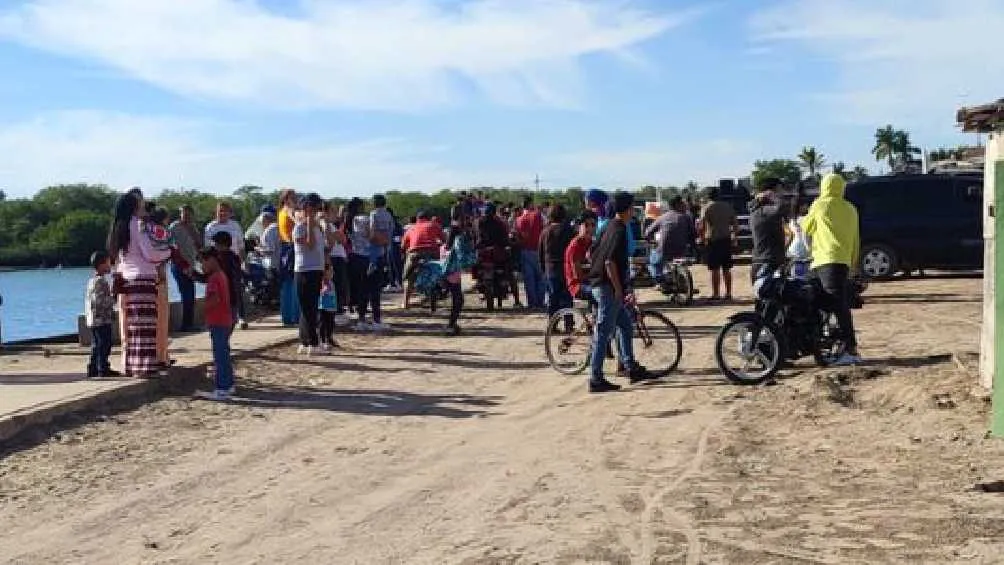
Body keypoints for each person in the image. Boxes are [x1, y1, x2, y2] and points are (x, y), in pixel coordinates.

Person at [586, 191, 652, 393]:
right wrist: (617, 289)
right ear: (628, 209)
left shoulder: (606, 226)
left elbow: (591, 253)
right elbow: (609, 262)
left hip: (601, 284)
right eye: (632, 207)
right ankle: (595, 378)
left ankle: (630, 366)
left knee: (625, 325)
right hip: (607, 287)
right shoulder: (620, 229)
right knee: (603, 333)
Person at [107, 188, 172, 378]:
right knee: (145, 326)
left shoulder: (119, 227)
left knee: (132, 325)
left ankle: (131, 365)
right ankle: (144, 367)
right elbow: (150, 254)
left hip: (127, 279)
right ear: (135, 207)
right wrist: (168, 252)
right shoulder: (138, 225)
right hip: (143, 277)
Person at [802, 173, 862, 365]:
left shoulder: (820, 204)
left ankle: (850, 348)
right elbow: (855, 238)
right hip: (841, 260)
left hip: (822, 260)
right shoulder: (851, 209)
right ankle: (824, 341)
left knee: (836, 303)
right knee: (832, 302)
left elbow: (806, 228)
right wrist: (853, 264)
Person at [196, 247, 234, 400]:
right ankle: (229, 384)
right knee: (224, 353)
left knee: (219, 356)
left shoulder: (214, 278)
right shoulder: (222, 275)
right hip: (225, 320)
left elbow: (214, 298)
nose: (202, 267)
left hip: (218, 321)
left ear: (211, 260)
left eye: (203, 263)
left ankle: (222, 387)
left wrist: (203, 308)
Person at [204, 201, 248, 328]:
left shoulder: (235, 226)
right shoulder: (210, 227)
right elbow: (207, 249)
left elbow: (241, 246)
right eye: (220, 211)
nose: (222, 213)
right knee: (219, 291)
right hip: (217, 264)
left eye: (225, 211)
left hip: (233, 261)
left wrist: (244, 262)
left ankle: (241, 317)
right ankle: (218, 318)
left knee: (237, 289)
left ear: (230, 213)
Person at [293, 193, 327, 354]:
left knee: (311, 307)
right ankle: (311, 342)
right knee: (308, 308)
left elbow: (322, 249)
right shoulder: (299, 228)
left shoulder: (318, 227)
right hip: (304, 271)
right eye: (313, 208)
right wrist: (308, 223)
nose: (316, 211)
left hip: (316, 270)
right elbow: (310, 245)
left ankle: (306, 341)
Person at [474, 203, 522, 308]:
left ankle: (479, 285)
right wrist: (511, 243)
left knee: (477, 269)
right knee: (511, 275)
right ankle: (517, 300)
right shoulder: (499, 223)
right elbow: (505, 239)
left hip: (483, 253)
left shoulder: (478, 222)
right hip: (498, 253)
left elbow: (476, 238)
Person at [699, 187, 738, 301]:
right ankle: (728, 293)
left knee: (715, 269)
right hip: (726, 239)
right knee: (726, 268)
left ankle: (716, 294)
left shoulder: (706, 207)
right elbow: (735, 224)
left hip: (713, 240)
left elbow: (701, 226)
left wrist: (702, 239)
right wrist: (734, 237)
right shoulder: (728, 206)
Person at [84, 251, 119, 379]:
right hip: (101, 319)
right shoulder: (100, 282)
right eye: (108, 263)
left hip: (94, 319)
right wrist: (114, 295)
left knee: (97, 344)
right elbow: (100, 302)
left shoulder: (92, 281)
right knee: (104, 344)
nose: (110, 265)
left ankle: (93, 367)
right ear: (101, 264)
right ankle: (102, 367)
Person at [645, 196, 696, 280]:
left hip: (664, 249)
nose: (685, 205)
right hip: (681, 249)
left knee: (653, 263)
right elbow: (693, 233)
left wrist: (650, 240)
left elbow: (647, 232)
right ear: (677, 205)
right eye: (682, 203)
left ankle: (659, 281)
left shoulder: (662, 217)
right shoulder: (686, 217)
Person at [749, 178, 789, 284]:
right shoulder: (764, 211)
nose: (782, 194)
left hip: (763, 260)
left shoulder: (757, 210)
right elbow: (782, 207)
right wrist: (773, 197)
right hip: (768, 262)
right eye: (779, 190)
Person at [401, 210, 444, 309]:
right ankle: (439, 290)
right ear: (428, 218)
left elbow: (403, 245)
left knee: (408, 277)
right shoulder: (434, 225)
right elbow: (444, 239)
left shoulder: (411, 228)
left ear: (417, 219)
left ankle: (405, 303)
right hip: (432, 252)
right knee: (438, 272)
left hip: (415, 254)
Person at [539, 204, 573, 319]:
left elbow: (541, 253)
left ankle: (552, 323)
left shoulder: (545, 232)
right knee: (567, 297)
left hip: (550, 268)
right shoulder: (568, 230)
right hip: (565, 268)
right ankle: (568, 323)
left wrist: (543, 268)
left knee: (553, 297)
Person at [169, 205, 200, 332]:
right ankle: (185, 325)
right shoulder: (174, 227)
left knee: (191, 294)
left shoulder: (193, 228)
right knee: (186, 294)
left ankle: (189, 323)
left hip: (191, 265)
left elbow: (199, 244)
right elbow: (170, 245)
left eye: (188, 214)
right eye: (183, 213)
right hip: (178, 265)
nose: (185, 216)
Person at [514, 196, 546, 310]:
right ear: (530, 204)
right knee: (541, 277)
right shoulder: (538, 215)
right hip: (538, 250)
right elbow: (544, 229)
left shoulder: (518, 220)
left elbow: (517, 236)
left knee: (529, 279)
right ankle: (540, 301)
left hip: (524, 250)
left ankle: (532, 303)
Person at [322, 201, 350, 325]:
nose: (335, 214)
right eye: (333, 211)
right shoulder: (326, 224)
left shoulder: (331, 225)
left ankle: (336, 311)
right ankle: (335, 312)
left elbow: (342, 239)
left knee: (338, 285)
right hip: (333, 258)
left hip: (337, 257)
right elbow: (339, 239)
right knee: (335, 286)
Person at [210, 231, 243, 330]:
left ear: (221, 245)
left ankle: (223, 343)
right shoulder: (234, 257)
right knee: (231, 321)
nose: (214, 246)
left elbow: (210, 277)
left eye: (216, 243)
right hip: (233, 295)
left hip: (222, 296)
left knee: (222, 325)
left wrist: (194, 275)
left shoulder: (219, 260)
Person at [440, 229, 470, 336]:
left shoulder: (443, 248)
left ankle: (452, 324)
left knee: (456, 300)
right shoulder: (456, 249)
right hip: (454, 278)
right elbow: (463, 260)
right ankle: (451, 324)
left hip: (445, 277)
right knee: (458, 301)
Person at [276, 189, 300, 326]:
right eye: (293, 197)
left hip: (287, 248)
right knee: (292, 284)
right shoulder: (288, 211)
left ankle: (289, 315)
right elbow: (297, 221)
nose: (295, 199)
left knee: (288, 284)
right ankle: (292, 315)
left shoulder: (281, 212)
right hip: (291, 248)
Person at [564, 211, 598, 300]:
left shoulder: (593, 243)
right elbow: (578, 276)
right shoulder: (575, 246)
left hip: (591, 281)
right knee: (601, 293)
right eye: (586, 225)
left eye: (593, 225)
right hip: (577, 286)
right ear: (579, 227)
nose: (590, 228)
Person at [318, 262, 339, 351]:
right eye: (329, 271)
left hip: (331, 308)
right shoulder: (323, 282)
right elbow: (321, 292)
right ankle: (323, 341)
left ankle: (329, 338)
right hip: (323, 308)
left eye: (332, 271)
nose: (332, 273)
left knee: (330, 324)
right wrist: (324, 290)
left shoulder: (332, 282)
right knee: (323, 324)